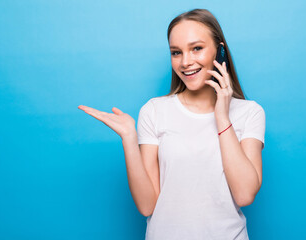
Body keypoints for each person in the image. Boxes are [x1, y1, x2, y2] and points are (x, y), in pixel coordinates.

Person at [78, 8, 265, 240]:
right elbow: (147, 206)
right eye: (176, 52)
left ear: (220, 51)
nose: (186, 62)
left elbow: (245, 194)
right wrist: (129, 138)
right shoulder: (155, 111)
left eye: (196, 48)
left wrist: (222, 117)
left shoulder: (250, 113)